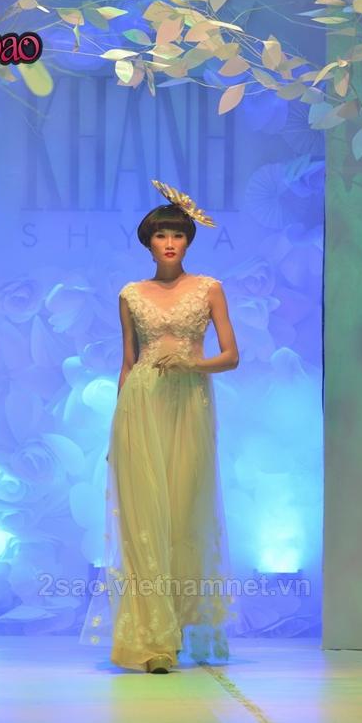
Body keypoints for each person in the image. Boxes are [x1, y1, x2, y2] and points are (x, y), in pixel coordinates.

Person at [79, 180, 242, 673]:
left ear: (189, 241)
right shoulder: (130, 294)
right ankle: (152, 642)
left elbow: (231, 356)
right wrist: (117, 426)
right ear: (148, 243)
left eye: (177, 234)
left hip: (190, 405)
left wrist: (193, 364)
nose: (169, 242)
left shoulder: (209, 288)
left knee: (185, 513)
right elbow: (127, 363)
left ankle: (184, 623)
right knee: (143, 522)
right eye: (160, 235)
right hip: (141, 405)